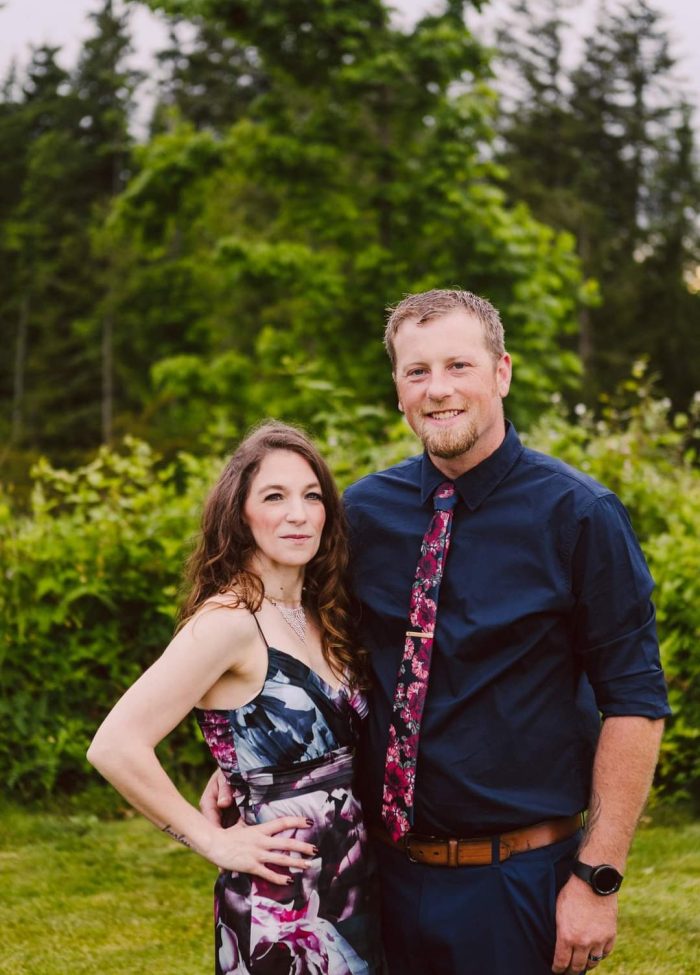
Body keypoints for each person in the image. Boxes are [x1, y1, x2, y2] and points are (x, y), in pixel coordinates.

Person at [203, 290, 670, 975]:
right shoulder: (360, 514)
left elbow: (635, 702)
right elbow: (304, 650)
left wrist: (598, 877)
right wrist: (240, 757)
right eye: (417, 371)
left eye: (459, 365)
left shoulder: (580, 516)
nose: (438, 389)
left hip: (513, 882)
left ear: (502, 372)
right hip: (371, 874)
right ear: (397, 389)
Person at [88, 421, 384, 975]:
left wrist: (240, 766)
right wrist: (213, 843)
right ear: (239, 515)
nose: (298, 513)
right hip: (282, 903)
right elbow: (114, 745)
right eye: (275, 496)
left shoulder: (323, 613)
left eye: (311, 495)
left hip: (351, 882)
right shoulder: (228, 620)